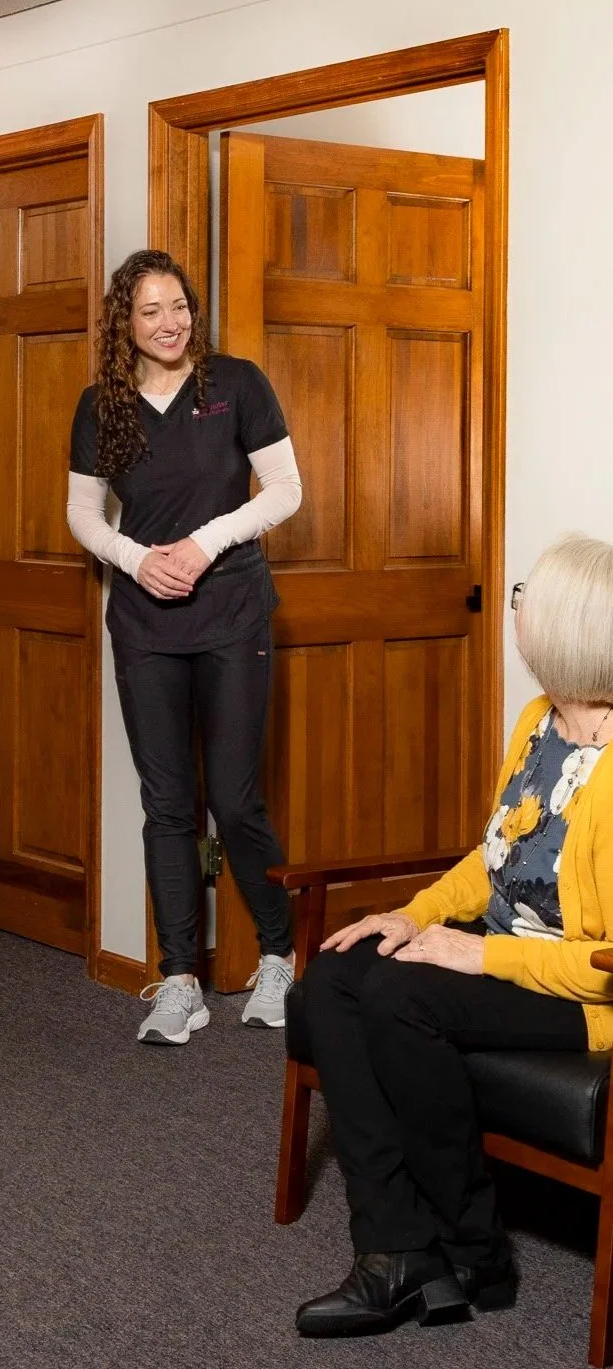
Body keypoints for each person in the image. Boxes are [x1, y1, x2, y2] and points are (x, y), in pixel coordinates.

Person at [294, 534, 613, 1338]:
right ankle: (396, 1248)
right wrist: (413, 915)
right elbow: (494, 854)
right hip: (505, 954)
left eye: (524, 598)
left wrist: (480, 952)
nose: (515, 610)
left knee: (399, 993)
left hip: (582, 991)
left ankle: (476, 1248)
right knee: (337, 971)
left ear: (568, 629)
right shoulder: (539, 721)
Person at [66, 249, 302, 1044]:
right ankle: (179, 979)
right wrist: (136, 559)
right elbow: (84, 515)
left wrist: (203, 544)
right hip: (144, 620)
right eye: (150, 312)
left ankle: (278, 953)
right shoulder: (103, 404)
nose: (170, 324)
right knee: (166, 805)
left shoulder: (236, 385)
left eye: (179, 307)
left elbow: (286, 490)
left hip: (232, 609)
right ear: (124, 324)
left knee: (233, 800)